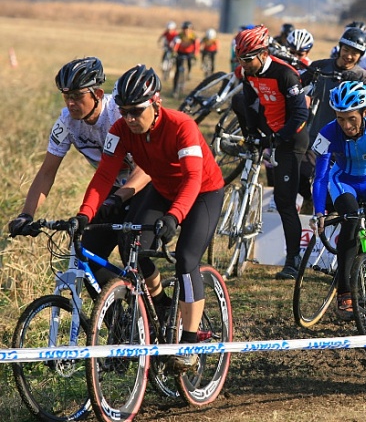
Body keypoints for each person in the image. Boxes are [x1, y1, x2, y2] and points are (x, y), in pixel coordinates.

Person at [72, 64, 225, 372]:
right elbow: (104, 176)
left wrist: (174, 216)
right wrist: (84, 215)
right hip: (164, 188)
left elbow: (193, 178)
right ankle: (161, 304)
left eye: (135, 111)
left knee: (186, 257)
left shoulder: (182, 126)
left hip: (203, 192)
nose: (129, 119)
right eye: (123, 111)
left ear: (155, 103)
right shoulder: (120, 131)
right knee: (133, 246)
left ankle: (190, 344)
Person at [8, 57, 151, 295]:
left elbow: (144, 168)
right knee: (87, 260)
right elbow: (46, 172)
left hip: (145, 187)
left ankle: (161, 307)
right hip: (112, 190)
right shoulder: (66, 123)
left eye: (77, 96)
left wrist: (118, 198)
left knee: (131, 250)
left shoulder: (119, 116)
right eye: (66, 96)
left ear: (97, 93)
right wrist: (26, 214)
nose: (71, 103)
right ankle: (121, 320)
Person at [310, 81, 366, 319]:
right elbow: (320, 177)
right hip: (344, 181)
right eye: (341, 118)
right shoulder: (328, 133)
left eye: (352, 118)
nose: (346, 125)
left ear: (365, 112)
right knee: (350, 220)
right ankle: (344, 291)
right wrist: (319, 211)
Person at [229, 24, 309, 280]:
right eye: (239, 59)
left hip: (291, 139)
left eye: (247, 59)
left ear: (263, 53)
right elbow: (250, 102)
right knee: (237, 100)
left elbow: (300, 114)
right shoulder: (248, 73)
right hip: (270, 132)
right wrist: (252, 133)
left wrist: (278, 138)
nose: (243, 64)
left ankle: (293, 260)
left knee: (286, 201)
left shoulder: (286, 75)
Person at [298, 26, 366, 215]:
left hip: (344, 140)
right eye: (346, 50)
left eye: (355, 53)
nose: (349, 56)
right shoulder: (321, 66)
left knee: (330, 179)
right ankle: (308, 199)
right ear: (340, 47)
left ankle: (332, 214)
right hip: (316, 134)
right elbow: (299, 84)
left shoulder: (361, 76)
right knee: (302, 173)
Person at [172, 21, 199, 90]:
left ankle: (189, 72)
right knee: (177, 70)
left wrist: (195, 54)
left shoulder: (193, 36)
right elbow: (176, 45)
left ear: (191, 29)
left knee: (189, 62)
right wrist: (174, 52)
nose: (186, 31)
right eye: (185, 29)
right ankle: (175, 88)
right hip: (180, 52)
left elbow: (196, 45)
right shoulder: (179, 36)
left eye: (188, 29)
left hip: (189, 52)